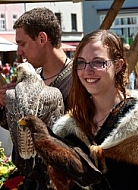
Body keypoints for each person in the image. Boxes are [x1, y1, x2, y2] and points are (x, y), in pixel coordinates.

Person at [52, 29, 138, 190]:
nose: (87, 70)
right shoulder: (67, 130)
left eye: (98, 62)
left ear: (118, 65)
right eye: (81, 62)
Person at [0, 7, 72, 190]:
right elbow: (17, 131)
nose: (18, 52)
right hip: (28, 180)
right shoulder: (24, 77)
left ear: (42, 39)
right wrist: (5, 105)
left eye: (22, 44)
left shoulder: (78, 81)